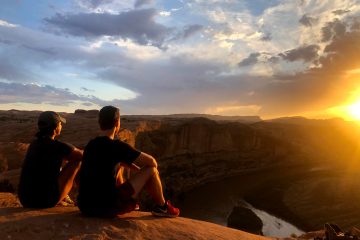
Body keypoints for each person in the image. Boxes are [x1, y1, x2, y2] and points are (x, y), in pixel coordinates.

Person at [77, 105, 179, 218]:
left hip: (85, 207)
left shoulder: (91, 144)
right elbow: (152, 162)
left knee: (119, 164)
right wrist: (142, 173)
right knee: (152, 170)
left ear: (100, 123)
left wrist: (127, 164)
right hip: (106, 208)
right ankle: (163, 207)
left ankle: (125, 200)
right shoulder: (117, 146)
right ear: (117, 123)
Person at [18, 111, 83, 208]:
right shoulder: (57, 146)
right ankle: (83, 197)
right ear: (56, 126)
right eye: (60, 124)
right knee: (77, 162)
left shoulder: (34, 144)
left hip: (25, 200)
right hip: (44, 201)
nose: (61, 126)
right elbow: (80, 155)